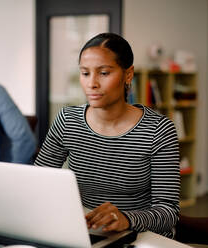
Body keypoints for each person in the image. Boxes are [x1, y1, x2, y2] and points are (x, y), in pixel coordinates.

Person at [35, 33, 180, 238]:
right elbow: (40, 181)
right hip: (87, 232)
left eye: (103, 73)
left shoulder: (158, 130)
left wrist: (126, 218)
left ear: (128, 75)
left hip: (141, 236)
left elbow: (168, 212)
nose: (92, 83)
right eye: (85, 73)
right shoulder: (68, 121)